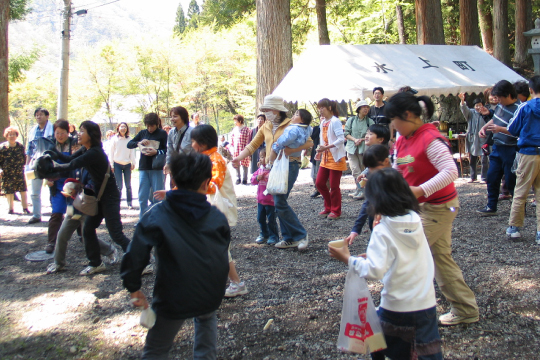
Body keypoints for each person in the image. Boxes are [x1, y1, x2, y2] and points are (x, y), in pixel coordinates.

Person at [121, 152, 230, 360]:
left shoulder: (157, 214)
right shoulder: (216, 216)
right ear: (207, 183)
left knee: (156, 349)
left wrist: (133, 287)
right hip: (211, 291)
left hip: (173, 294)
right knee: (206, 327)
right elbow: (222, 251)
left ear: (173, 180)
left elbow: (136, 253)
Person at [385, 92, 479, 325]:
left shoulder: (430, 138)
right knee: (440, 258)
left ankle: (400, 314)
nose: (391, 125)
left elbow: (450, 172)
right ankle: (465, 310)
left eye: (393, 119)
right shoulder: (402, 138)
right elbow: (400, 170)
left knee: (406, 254)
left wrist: (420, 191)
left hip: (438, 207)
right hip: (420, 207)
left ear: (408, 115)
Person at [329, 168, 443, 360]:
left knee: (379, 342)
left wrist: (348, 259)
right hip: (426, 303)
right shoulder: (414, 219)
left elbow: (374, 271)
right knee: (425, 351)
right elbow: (404, 253)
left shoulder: (382, 230)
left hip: (398, 307)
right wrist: (378, 254)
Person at [46, 121, 131, 275]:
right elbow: (68, 160)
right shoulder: (87, 149)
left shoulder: (94, 153)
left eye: (82, 131)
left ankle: (142, 261)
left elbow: (71, 165)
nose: (79, 133)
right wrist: (53, 153)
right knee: (88, 229)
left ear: (91, 135)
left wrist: (49, 167)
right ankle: (96, 263)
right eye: (79, 130)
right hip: (98, 197)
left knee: (116, 234)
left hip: (109, 197)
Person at [232, 94, 312, 250]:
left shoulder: (293, 123)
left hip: (290, 165)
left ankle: (300, 235)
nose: (265, 112)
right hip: (273, 167)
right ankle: (289, 238)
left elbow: (309, 142)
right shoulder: (266, 126)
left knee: (279, 201)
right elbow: (252, 145)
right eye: (264, 110)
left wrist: (291, 150)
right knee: (279, 202)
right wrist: (238, 158)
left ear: (277, 110)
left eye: (268, 109)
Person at [46, 169, 120, 274]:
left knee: (87, 238)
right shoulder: (73, 166)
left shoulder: (90, 168)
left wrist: (76, 191)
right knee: (62, 235)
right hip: (73, 208)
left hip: (85, 208)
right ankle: (58, 263)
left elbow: (92, 187)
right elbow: (62, 174)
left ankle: (109, 250)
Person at [501, 76, 540, 242]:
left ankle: (515, 227)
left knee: (520, 191)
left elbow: (512, 128)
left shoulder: (525, 107)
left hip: (528, 153)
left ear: (530, 90)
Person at [477, 80, 520, 216]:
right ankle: (491, 206)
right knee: (492, 176)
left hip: (511, 148)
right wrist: (484, 127)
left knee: (511, 179)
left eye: (499, 97)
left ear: (508, 95)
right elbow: (494, 118)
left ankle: (518, 208)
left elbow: (519, 130)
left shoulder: (520, 108)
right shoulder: (501, 106)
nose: (498, 100)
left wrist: (500, 129)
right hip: (497, 147)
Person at [346, 130, 390, 243]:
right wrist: (355, 230)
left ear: (386, 162)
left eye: (372, 167)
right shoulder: (374, 173)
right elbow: (367, 204)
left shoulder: (392, 180)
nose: (370, 171)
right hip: (376, 220)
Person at [44, 120, 80, 254]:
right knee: (57, 212)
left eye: (62, 133)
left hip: (71, 181)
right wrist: (49, 178)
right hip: (57, 182)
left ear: (68, 132)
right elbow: (45, 164)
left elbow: (77, 161)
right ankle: (51, 241)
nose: (60, 136)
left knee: (75, 211)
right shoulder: (51, 145)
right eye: (57, 133)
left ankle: (83, 237)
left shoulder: (74, 143)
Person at [128, 113, 168, 219]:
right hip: (144, 168)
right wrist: (139, 143)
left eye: (152, 126)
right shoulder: (142, 133)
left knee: (157, 195)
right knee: (142, 195)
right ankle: (143, 219)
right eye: (148, 126)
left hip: (157, 168)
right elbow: (129, 144)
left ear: (157, 124)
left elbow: (167, 150)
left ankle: (158, 219)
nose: (150, 129)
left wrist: (157, 152)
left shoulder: (162, 134)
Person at [315, 98, 346, 220]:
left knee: (334, 185)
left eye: (322, 107)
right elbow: (322, 139)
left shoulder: (335, 121)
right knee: (320, 183)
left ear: (329, 108)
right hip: (326, 157)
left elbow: (341, 139)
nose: (320, 110)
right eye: (319, 108)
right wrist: (319, 152)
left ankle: (336, 210)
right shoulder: (323, 122)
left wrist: (326, 147)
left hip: (336, 157)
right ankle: (328, 207)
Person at [27, 107, 54, 224]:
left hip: (50, 163)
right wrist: (27, 164)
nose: (38, 117)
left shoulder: (53, 129)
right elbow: (29, 149)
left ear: (47, 116)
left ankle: (56, 214)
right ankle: (36, 215)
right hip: (35, 164)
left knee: (53, 189)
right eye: (37, 115)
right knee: (34, 191)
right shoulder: (32, 131)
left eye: (41, 115)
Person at [345, 100, 374, 200]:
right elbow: (346, 133)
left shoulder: (369, 121)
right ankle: (359, 189)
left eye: (367, 107)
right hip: (351, 148)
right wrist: (355, 139)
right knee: (355, 170)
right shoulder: (351, 120)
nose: (366, 109)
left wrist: (361, 139)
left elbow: (372, 134)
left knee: (363, 170)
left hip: (364, 148)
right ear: (358, 109)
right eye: (363, 107)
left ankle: (364, 191)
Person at [458, 94, 490, 183]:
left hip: (483, 138)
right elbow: (464, 109)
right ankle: (473, 177)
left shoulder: (486, 113)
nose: (478, 107)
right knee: (472, 159)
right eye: (476, 105)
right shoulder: (471, 113)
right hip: (472, 138)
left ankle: (484, 177)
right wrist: (462, 101)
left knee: (484, 159)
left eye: (480, 105)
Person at [251, 148, 279, 246]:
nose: (261, 159)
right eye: (260, 157)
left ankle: (274, 235)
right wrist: (257, 178)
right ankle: (264, 233)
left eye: (263, 157)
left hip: (270, 201)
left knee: (271, 219)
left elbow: (276, 183)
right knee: (260, 218)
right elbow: (252, 180)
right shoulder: (260, 170)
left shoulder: (274, 170)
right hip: (261, 200)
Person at [0, 127, 30, 215]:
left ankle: (25, 208)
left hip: (19, 172)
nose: (12, 136)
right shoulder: (2, 147)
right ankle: (10, 209)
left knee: (23, 190)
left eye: (13, 134)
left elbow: (24, 158)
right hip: (7, 172)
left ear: (16, 136)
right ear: (6, 136)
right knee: (9, 191)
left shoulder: (20, 146)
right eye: (10, 135)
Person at [109, 122, 136, 209]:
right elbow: (111, 153)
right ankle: (117, 202)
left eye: (124, 127)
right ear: (118, 128)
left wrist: (133, 162)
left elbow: (132, 152)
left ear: (127, 129)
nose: (123, 128)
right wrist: (111, 165)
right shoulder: (114, 139)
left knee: (128, 185)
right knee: (119, 186)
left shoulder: (130, 139)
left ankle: (129, 203)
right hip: (117, 164)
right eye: (121, 127)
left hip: (127, 164)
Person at [230, 114, 251, 184]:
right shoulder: (234, 130)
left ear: (240, 121)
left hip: (244, 150)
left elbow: (248, 140)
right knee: (236, 164)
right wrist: (231, 148)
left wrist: (246, 149)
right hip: (236, 150)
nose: (235, 122)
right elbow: (231, 140)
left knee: (245, 164)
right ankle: (238, 178)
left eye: (236, 121)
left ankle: (245, 179)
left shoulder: (246, 129)